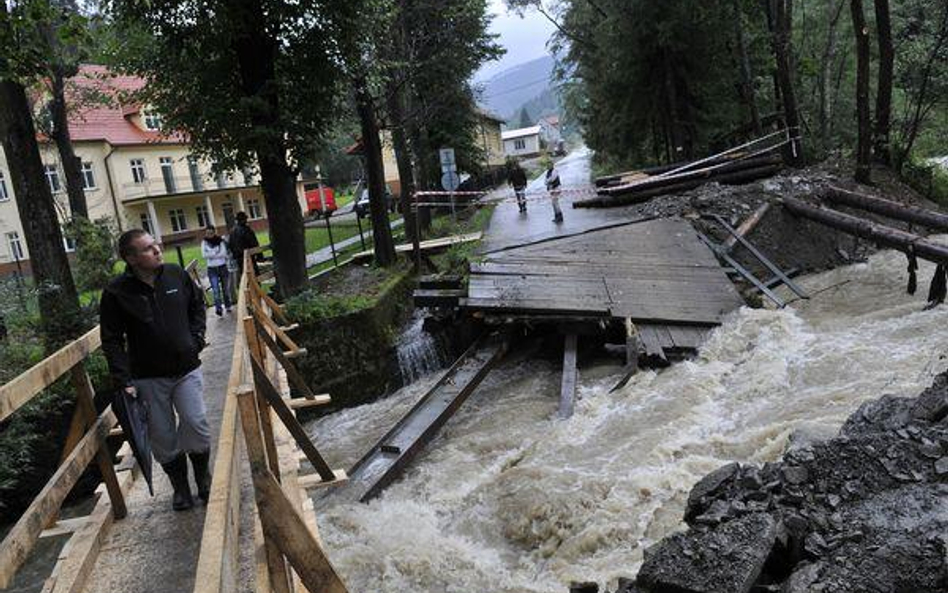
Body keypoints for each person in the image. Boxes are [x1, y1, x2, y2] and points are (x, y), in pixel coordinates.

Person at [100, 229, 211, 511]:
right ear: (131, 258)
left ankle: (202, 477)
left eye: (156, 244)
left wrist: (196, 338)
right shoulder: (116, 292)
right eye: (149, 248)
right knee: (162, 436)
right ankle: (181, 488)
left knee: (196, 423)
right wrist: (122, 379)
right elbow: (111, 339)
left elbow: (198, 305)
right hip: (147, 377)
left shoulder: (175, 274)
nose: (158, 249)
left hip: (186, 369)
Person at [201, 225, 232, 316]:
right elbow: (204, 255)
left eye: (211, 233)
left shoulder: (220, 241)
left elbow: (224, 253)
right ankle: (218, 308)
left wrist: (211, 254)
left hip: (222, 267)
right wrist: (215, 253)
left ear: (214, 232)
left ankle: (228, 305)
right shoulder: (204, 242)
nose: (209, 235)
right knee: (215, 290)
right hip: (212, 269)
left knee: (225, 289)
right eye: (207, 233)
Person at [228, 211, 260, 276]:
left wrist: (235, 255)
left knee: (244, 274)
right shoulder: (246, 229)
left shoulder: (232, 231)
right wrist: (259, 255)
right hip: (249, 255)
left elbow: (230, 245)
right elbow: (253, 242)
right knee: (254, 274)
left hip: (239, 258)